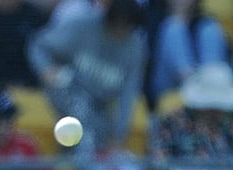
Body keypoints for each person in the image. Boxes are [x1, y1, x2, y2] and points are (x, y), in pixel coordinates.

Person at [27, 0, 148, 156]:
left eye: (125, 27)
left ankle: (76, 162)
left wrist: (118, 136)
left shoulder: (135, 49)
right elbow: (39, 44)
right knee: (82, 114)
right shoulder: (84, 26)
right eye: (116, 25)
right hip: (66, 89)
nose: (119, 31)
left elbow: (127, 96)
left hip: (98, 106)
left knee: (101, 132)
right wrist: (45, 68)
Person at [147, 0, 230, 105]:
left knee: (209, 29)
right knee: (173, 28)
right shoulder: (157, 21)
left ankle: (209, 92)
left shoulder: (207, 26)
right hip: (169, 90)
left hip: (209, 87)